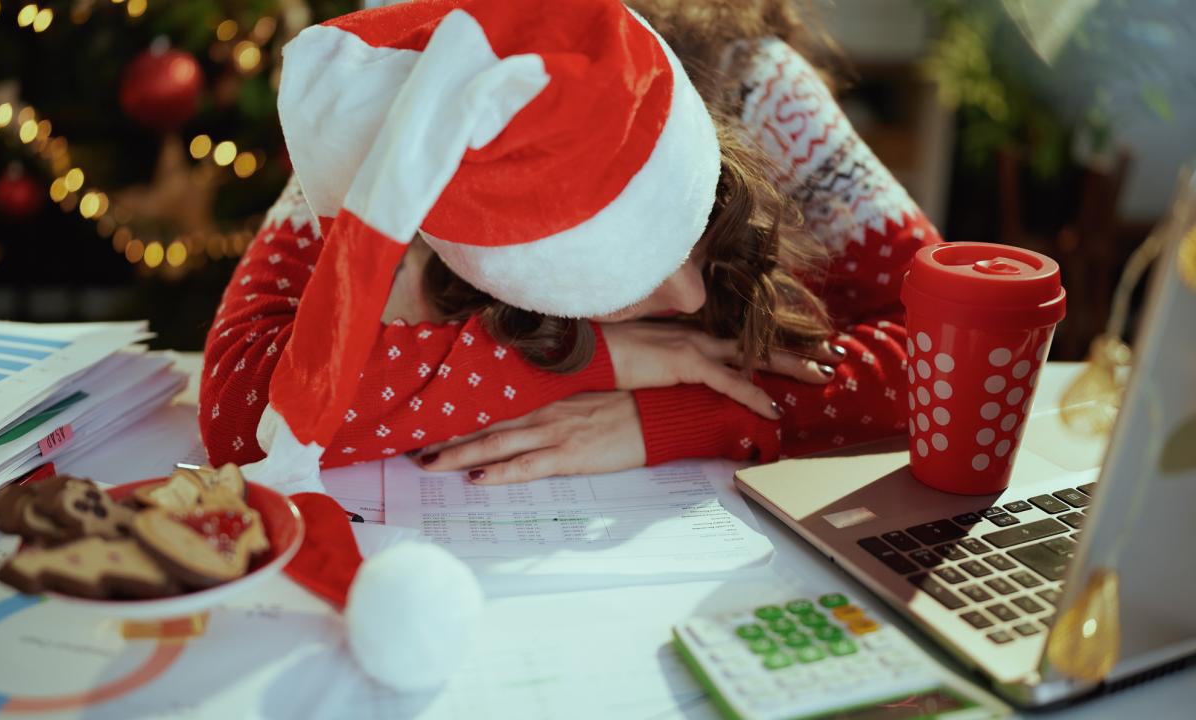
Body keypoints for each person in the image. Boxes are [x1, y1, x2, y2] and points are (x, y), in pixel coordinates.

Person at [200, 0, 942, 487]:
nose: (689, 295)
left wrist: (687, 416)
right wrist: (590, 361)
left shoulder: (761, 89)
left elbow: (948, 353)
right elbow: (245, 409)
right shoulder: (403, 117)